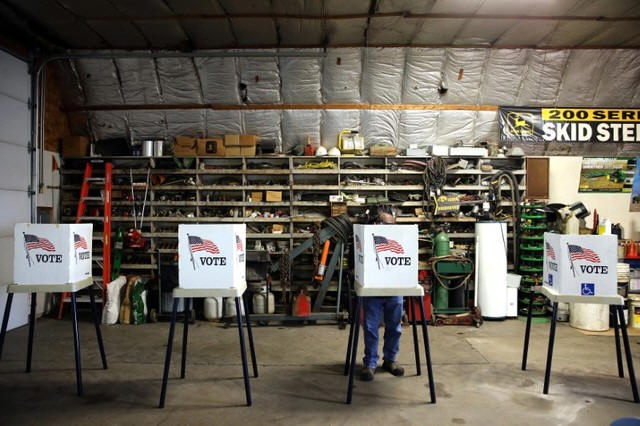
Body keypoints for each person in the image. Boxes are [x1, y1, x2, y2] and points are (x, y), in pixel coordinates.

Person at [360, 206, 405, 381]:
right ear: (375, 223)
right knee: (371, 328)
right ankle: (370, 363)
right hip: (373, 291)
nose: (389, 228)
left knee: (395, 327)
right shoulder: (365, 239)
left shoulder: (400, 240)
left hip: (394, 289)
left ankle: (390, 360)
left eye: (392, 225)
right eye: (385, 224)